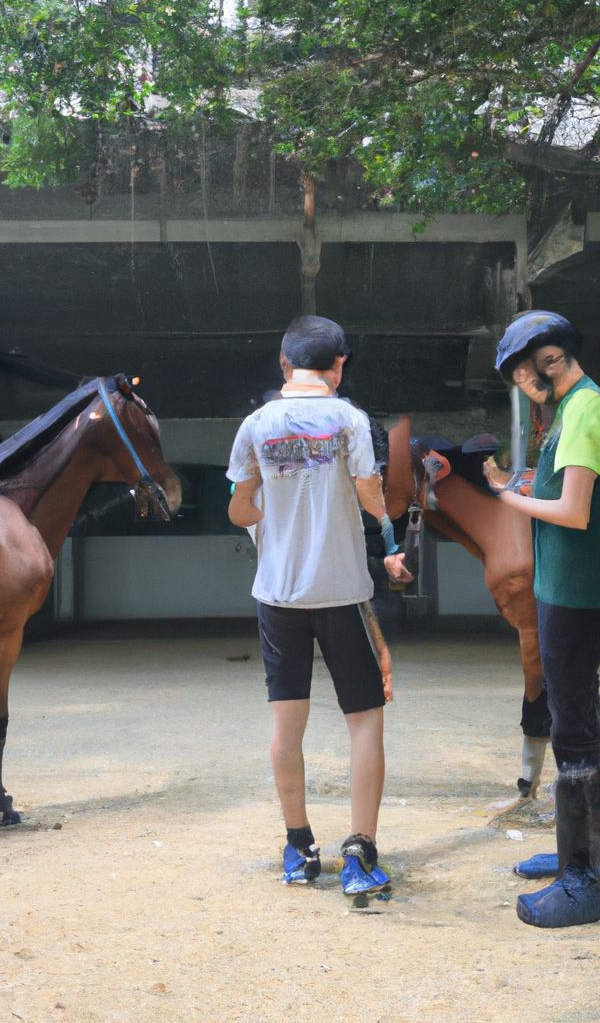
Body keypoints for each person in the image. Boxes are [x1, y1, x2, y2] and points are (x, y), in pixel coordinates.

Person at [227, 314, 413, 897]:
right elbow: (367, 490)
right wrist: (388, 537)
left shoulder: (255, 425)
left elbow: (242, 506)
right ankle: (359, 853)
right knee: (364, 722)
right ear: (339, 365)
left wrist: (275, 517)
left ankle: (298, 846)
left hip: (278, 595)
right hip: (341, 592)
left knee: (288, 724)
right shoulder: (348, 418)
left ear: (284, 364)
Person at [483, 310, 600, 929]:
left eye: (523, 370)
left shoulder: (588, 409)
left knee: (572, 732)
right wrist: (517, 481)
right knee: (581, 719)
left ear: (549, 360)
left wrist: (505, 497)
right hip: (566, 587)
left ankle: (579, 883)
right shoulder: (571, 410)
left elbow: (571, 510)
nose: (521, 383)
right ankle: (586, 861)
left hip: (576, 591)